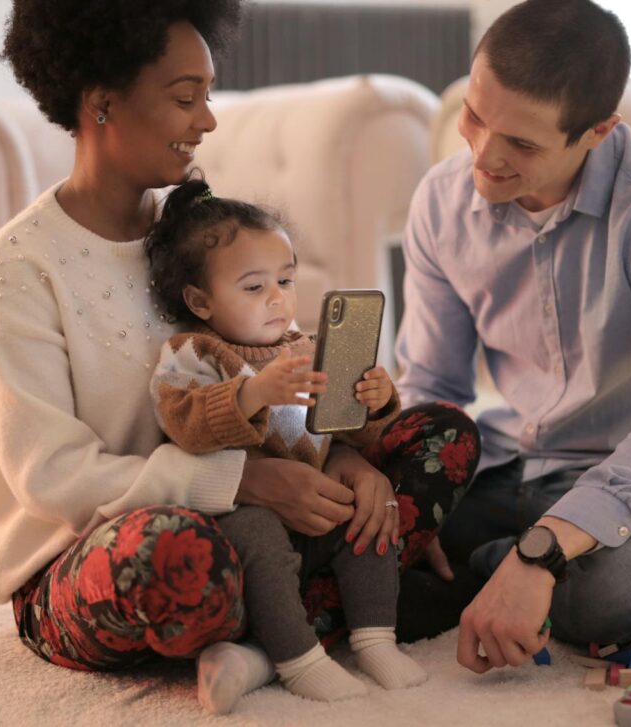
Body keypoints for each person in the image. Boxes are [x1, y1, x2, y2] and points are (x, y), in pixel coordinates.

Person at [0, 0, 480, 714]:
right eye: (185, 98)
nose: (207, 120)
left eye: (207, 94)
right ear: (102, 103)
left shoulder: (198, 234)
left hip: (259, 526)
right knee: (176, 559)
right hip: (94, 554)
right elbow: (57, 479)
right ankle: (336, 614)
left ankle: (278, 636)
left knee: (440, 437)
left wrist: (343, 462)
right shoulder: (21, 270)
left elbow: (275, 372)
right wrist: (245, 481)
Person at [394, 0, 631, 674]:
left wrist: (541, 550)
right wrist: (407, 502)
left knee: (621, 590)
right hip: (505, 464)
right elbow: (432, 390)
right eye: (474, 114)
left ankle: (486, 577)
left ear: (598, 131)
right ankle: (498, 577)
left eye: (521, 143)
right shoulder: (439, 201)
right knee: (359, 530)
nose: (483, 155)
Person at [144, 179, 428, 710]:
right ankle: (299, 659)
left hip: (318, 507)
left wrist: (375, 401)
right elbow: (184, 422)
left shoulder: (307, 344)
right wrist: (250, 393)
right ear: (200, 300)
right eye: (254, 288)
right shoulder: (193, 353)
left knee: (367, 509)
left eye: (286, 279)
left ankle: (374, 639)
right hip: (250, 517)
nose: (277, 298)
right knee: (255, 532)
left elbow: (348, 437)